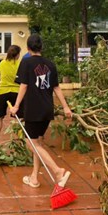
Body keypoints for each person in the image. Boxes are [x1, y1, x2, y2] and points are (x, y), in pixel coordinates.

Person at [9, 34, 73, 188]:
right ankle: (34, 178)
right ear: (41, 47)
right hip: (47, 109)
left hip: (33, 109)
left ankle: (58, 171)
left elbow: (23, 85)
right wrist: (65, 107)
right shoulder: (50, 64)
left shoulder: (26, 62)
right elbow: (56, 87)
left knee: (31, 144)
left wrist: (16, 106)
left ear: (28, 48)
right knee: (38, 142)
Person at [0, 44, 22, 140]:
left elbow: (0, 76)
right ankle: (21, 139)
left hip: (2, 92)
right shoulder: (20, 64)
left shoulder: (1, 64)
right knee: (20, 118)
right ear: (17, 54)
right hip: (17, 92)